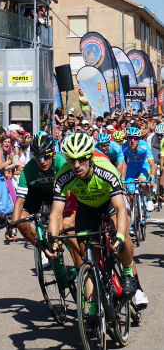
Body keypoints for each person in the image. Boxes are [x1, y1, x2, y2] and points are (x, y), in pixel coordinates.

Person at [48, 132, 139, 308]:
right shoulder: (63, 175)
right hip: (87, 206)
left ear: (90, 157)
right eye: (71, 160)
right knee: (88, 256)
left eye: (81, 159)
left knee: (122, 236)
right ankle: (92, 306)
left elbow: (120, 208)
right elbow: (55, 213)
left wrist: (119, 236)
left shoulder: (106, 170)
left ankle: (128, 272)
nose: (76, 165)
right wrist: (52, 240)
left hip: (110, 203)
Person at [11, 133, 66, 246]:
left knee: (64, 225)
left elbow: (69, 193)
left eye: (46, 156)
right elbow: (19, 201)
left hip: (59, 193)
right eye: (38, 157)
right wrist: (13, 227)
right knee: (21, 222)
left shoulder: (61, 163)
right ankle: (43, 248)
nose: (42, 161)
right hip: (37, 193)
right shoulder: (29, 168)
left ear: (54, 154)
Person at [122, 127, 156, 212]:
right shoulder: (124, 147)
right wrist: (121, 177)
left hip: (143, 168)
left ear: (139, 139)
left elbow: (152, 164)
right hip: (131, 170)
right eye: (130, 138)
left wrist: (152, 176)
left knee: (143, 184)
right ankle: (132, 215)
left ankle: (149, 199)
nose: (132, 141)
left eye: (135, 138)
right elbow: (121, 164)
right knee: (130, 192)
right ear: (127, 139)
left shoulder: (144, 146)